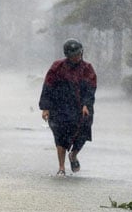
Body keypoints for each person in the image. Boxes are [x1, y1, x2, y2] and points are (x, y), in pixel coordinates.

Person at [39, 39, 97, 176]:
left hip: (81, 108)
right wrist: (45, 107)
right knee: (60, 135)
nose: (77, 57)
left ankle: (74, 155)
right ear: (67, 55)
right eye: (74, 55)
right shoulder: (57, 67)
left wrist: (86, 104)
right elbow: (48, 87)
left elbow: (90, 89)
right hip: (60, 107)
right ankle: (61, 167)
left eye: (79, 54)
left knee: (82, 133)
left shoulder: (87, 69)